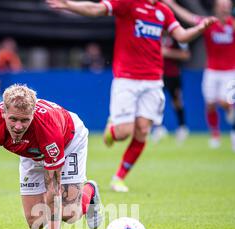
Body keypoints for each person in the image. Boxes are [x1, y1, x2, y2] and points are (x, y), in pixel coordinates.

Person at [46, 0, 216, 192]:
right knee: (123, 133)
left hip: (153, 81)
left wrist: (200, 27)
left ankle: (119, 177)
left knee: (143, 130)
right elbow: (97, 9)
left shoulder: (163, 11)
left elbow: (182, 36)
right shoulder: (128, 3)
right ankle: (113, 129)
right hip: (127, 79)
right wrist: (69, 5)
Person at [0, 84, 103, 229]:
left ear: (33, 113)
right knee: (35, 221)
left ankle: (89, 191)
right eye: (13, 119)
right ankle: (59, 211)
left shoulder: (48, 128)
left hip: (68, 141)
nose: (18, 127)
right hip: (30, 151)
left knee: (70, 213)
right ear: (3, 113)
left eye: (24, 120)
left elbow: (53, 184)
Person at [162, 0, 235, 151]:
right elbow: (189, 17)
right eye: (222, 6)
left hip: (230, 72)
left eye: (227, 6)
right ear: (216, 8)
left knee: (224, 101)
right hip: (212, 71)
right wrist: (172, 5)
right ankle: (215, 136)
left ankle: (231, 119)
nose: (225, 9)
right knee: (209, 104)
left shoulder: (233, 25)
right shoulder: (209, 23)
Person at [152, 34, 191, 143]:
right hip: (157, 74)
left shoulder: (178, 35)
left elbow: (186, 55)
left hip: (173, 74)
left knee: (176, 101)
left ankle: (182, 127)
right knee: (156, 101)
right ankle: (158, 128)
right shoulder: (155, 32)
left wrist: (167, 53)